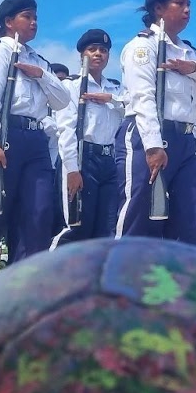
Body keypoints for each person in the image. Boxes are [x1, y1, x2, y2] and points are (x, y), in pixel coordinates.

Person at [0, 0, 71, 289]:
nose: (33, 22)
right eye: (26, 16)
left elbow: (61, 100)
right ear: (9, 22)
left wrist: (42, 76)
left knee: (38, 210)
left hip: (34, 139)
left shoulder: (38, 60)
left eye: (35, 17)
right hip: (3, 133)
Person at [115, 0, 196, 246]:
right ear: (158, 8)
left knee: (194, 220)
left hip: (186, 141)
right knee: (139, 217)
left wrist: (194, 70)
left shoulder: (191, 54)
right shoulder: (143, 46)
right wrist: (153, 147)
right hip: (148, 137)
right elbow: (142, 98)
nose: (187, 9)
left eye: (189, 3)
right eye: (180, 3)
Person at [53, 29, 127, 247]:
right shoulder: (71, 86)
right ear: (81, 54)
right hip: (83, 157)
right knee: (77, 226)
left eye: (103, 50)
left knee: (107, 227)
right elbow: (65, 129)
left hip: (109, 160)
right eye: (92, 49)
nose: (98, 54)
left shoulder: (116, 88)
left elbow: (133, 108)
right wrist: (72, 168)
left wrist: (112, 99)